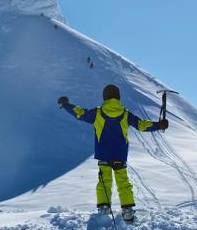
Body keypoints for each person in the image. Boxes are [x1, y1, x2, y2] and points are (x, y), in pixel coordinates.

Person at [58, 84, 168, 221]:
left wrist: (66, 104)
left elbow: (80, 113)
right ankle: (127, 210)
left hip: (104, 154)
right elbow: (141, 125)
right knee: (123, 181)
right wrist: (159, 125)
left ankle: (104, 209)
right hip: (119, 155)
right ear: (118, 97)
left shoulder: (97, 112)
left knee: (104, 181)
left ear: (105, 97)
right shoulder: (126, 114)